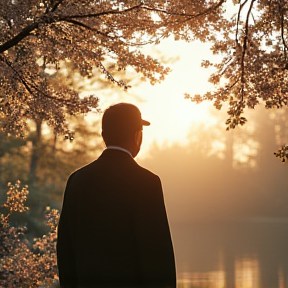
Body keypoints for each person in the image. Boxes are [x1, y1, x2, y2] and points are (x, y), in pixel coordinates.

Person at [56, 103, 176, 288]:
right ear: (137, 135)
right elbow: (157, 255)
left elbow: (65, 249)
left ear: (104, 136)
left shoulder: (77, 180)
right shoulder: (146, 182)